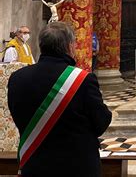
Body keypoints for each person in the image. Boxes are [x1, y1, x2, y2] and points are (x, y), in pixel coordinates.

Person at [7, 22, 111, 177]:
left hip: (35, 165)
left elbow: (17, 115)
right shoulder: (83, 80)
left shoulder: (17, 78)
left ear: (41, 45)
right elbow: (101, 122)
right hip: (77, 167)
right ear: (70, 46)